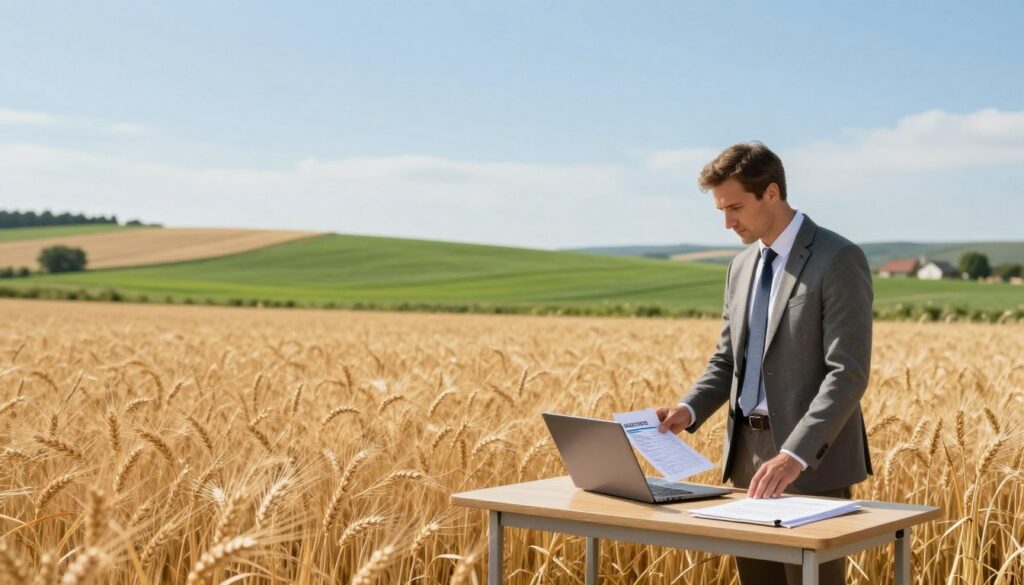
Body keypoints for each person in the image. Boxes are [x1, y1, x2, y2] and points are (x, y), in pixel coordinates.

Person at [656, 142, 873, 585]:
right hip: (745, 462)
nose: (727, 222)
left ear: (771, 193)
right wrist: (688, 409)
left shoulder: (838, 258)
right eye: (720, 209)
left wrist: (794, 455)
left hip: (810, 462)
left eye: (735, 207)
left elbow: (847, 372)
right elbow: (727, 360)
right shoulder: (739, 267)